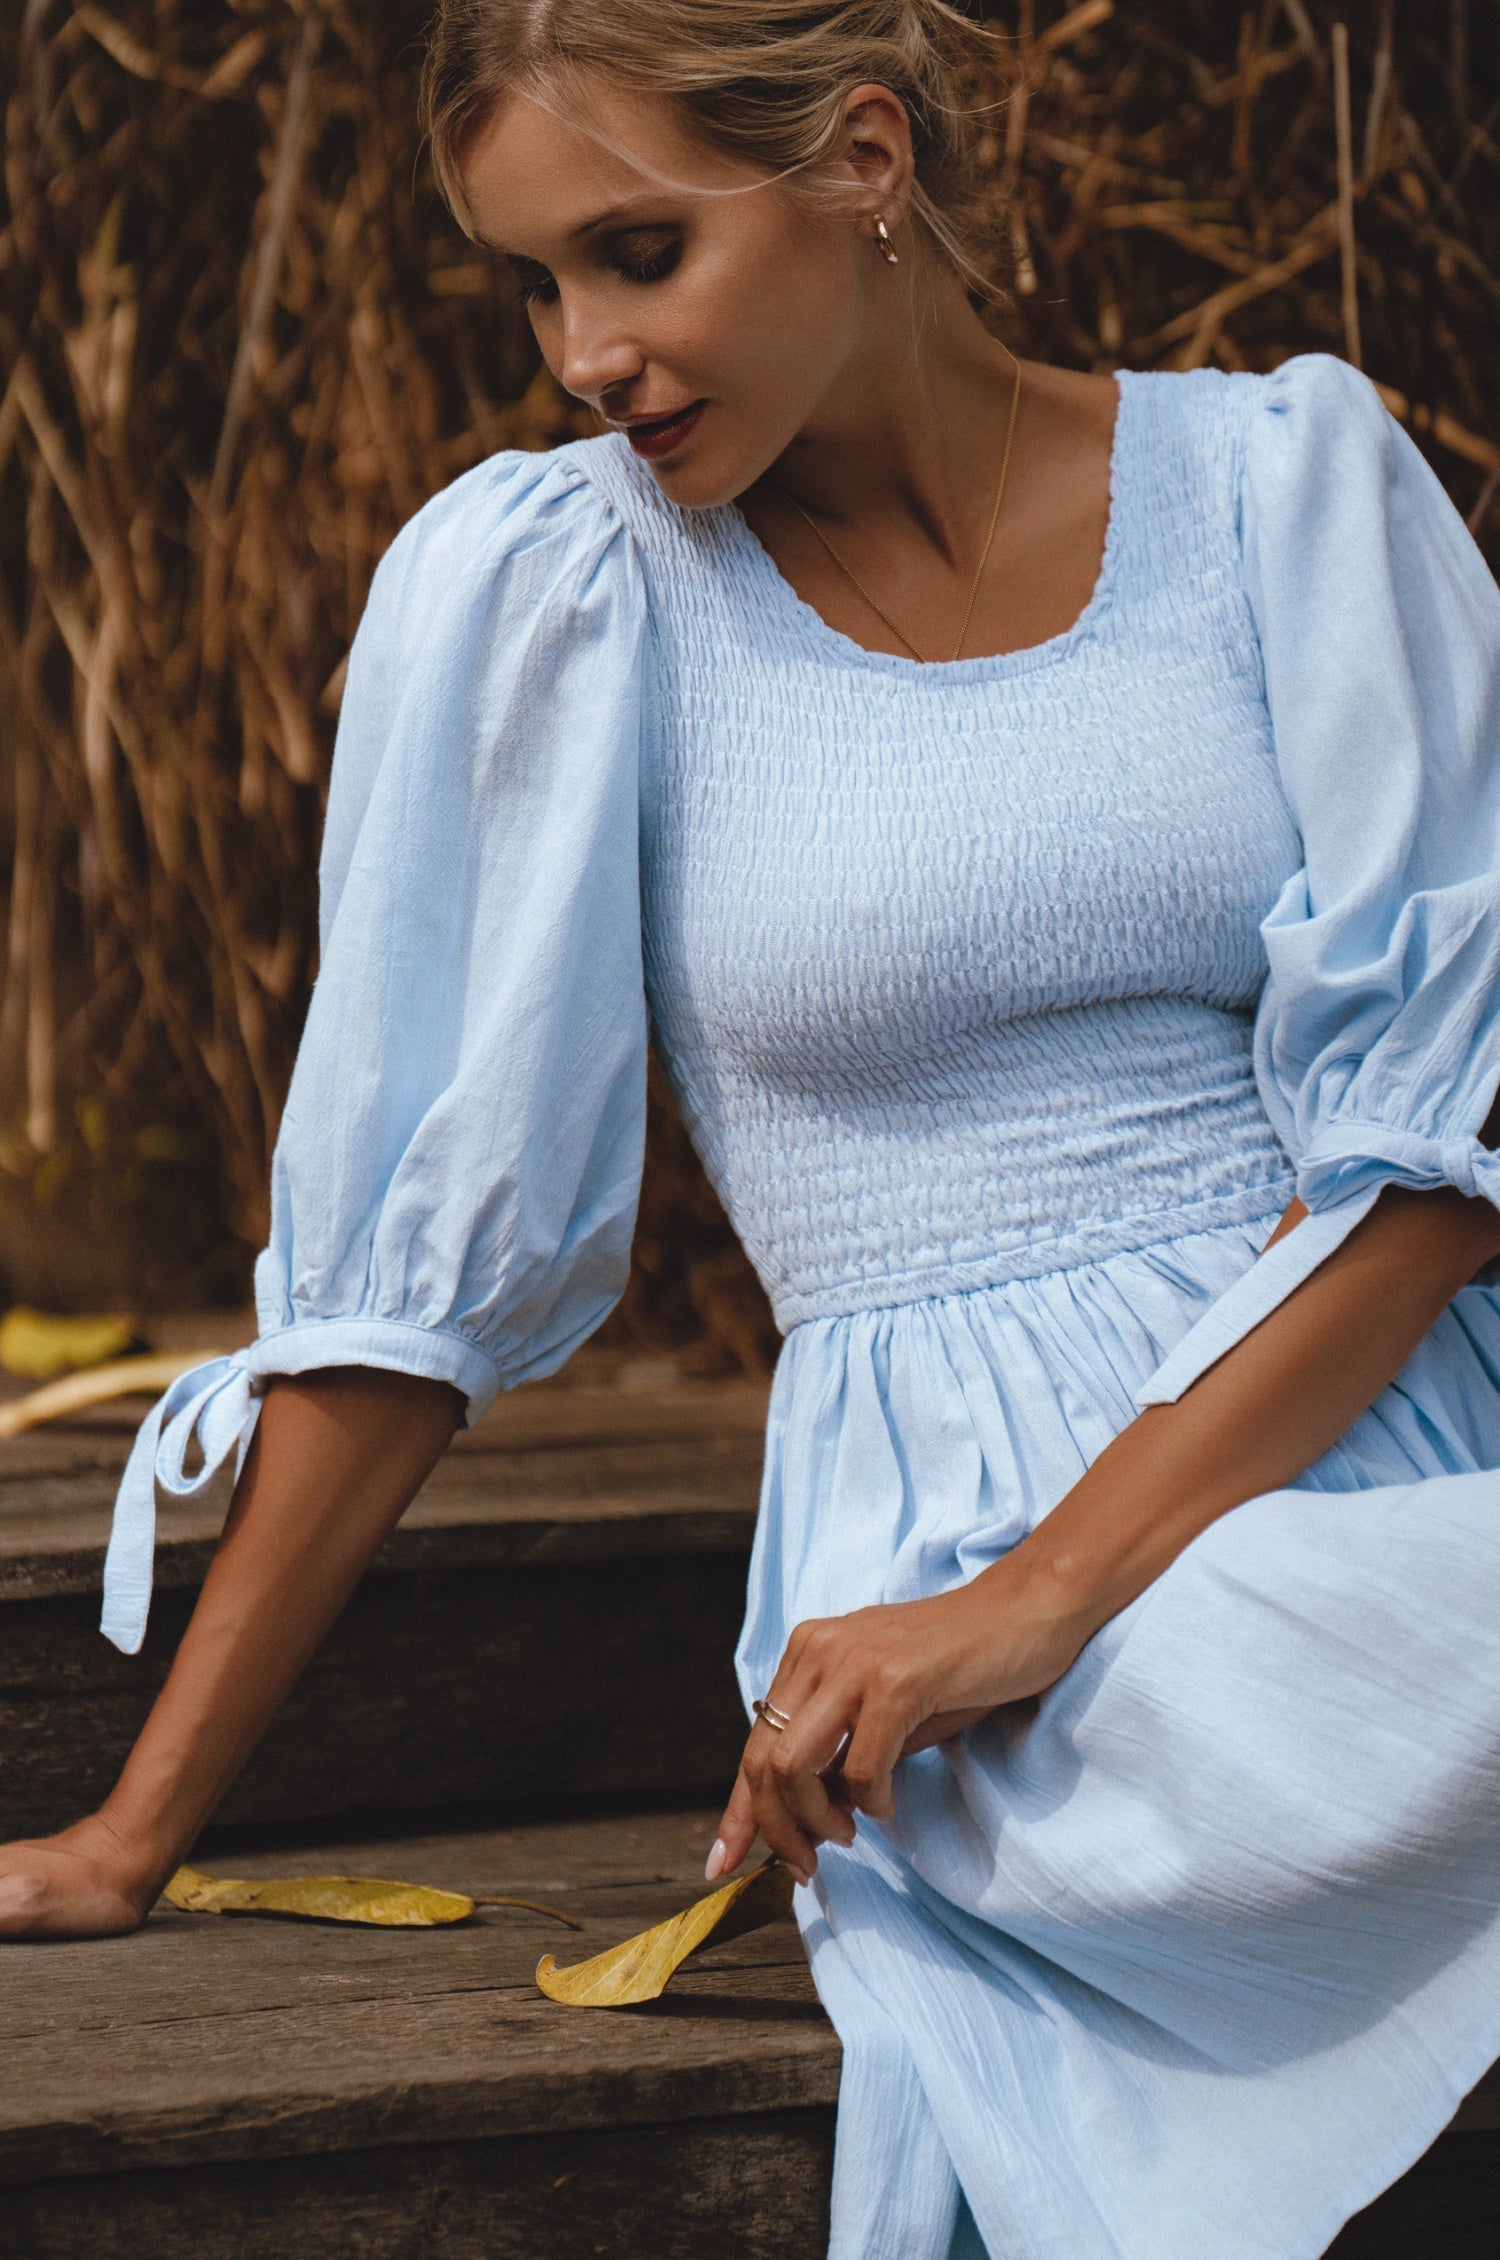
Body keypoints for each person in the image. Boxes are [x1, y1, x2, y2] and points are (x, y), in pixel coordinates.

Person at [5, 3, 1500, 2252]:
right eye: (535, 283)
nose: (583, 354)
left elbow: (1436, 1158)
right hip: (958, 1560)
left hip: (1373, 1441)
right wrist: (133, 1833)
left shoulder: (1287, 486)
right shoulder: (563, 594)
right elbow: (411, 1281)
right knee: (1206, 1703)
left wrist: (1036, 1596)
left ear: (864, 158)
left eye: (638, 253)